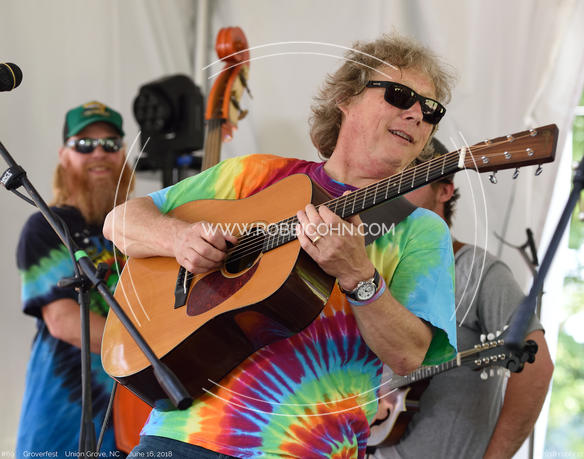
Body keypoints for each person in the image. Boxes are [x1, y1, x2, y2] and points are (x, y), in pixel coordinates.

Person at [104, 34, 457, 458]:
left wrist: (359, 276)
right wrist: (178, 238)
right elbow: (119, 221)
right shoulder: (254, 175)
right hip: (181, 437)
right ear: (346, 98)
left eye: (431, 110)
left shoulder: (421, 229)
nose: (417, 114)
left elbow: (409, 356)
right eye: (399, 96)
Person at [372, 139, 554, 459]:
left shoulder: (477, 270)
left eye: (408, 176)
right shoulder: (372, 270)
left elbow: (536, 366)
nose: (392, 188)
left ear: (444, 190)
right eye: (389, 177)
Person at [16, 101, 134, 457]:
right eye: (84, 144)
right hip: (65, 419)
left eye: (110, 144)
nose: (99, 153)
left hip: (136, 414)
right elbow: (65, 322)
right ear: (63, 156)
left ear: (123, 155)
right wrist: (157, 353)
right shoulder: (47, 226)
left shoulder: (139, 229)